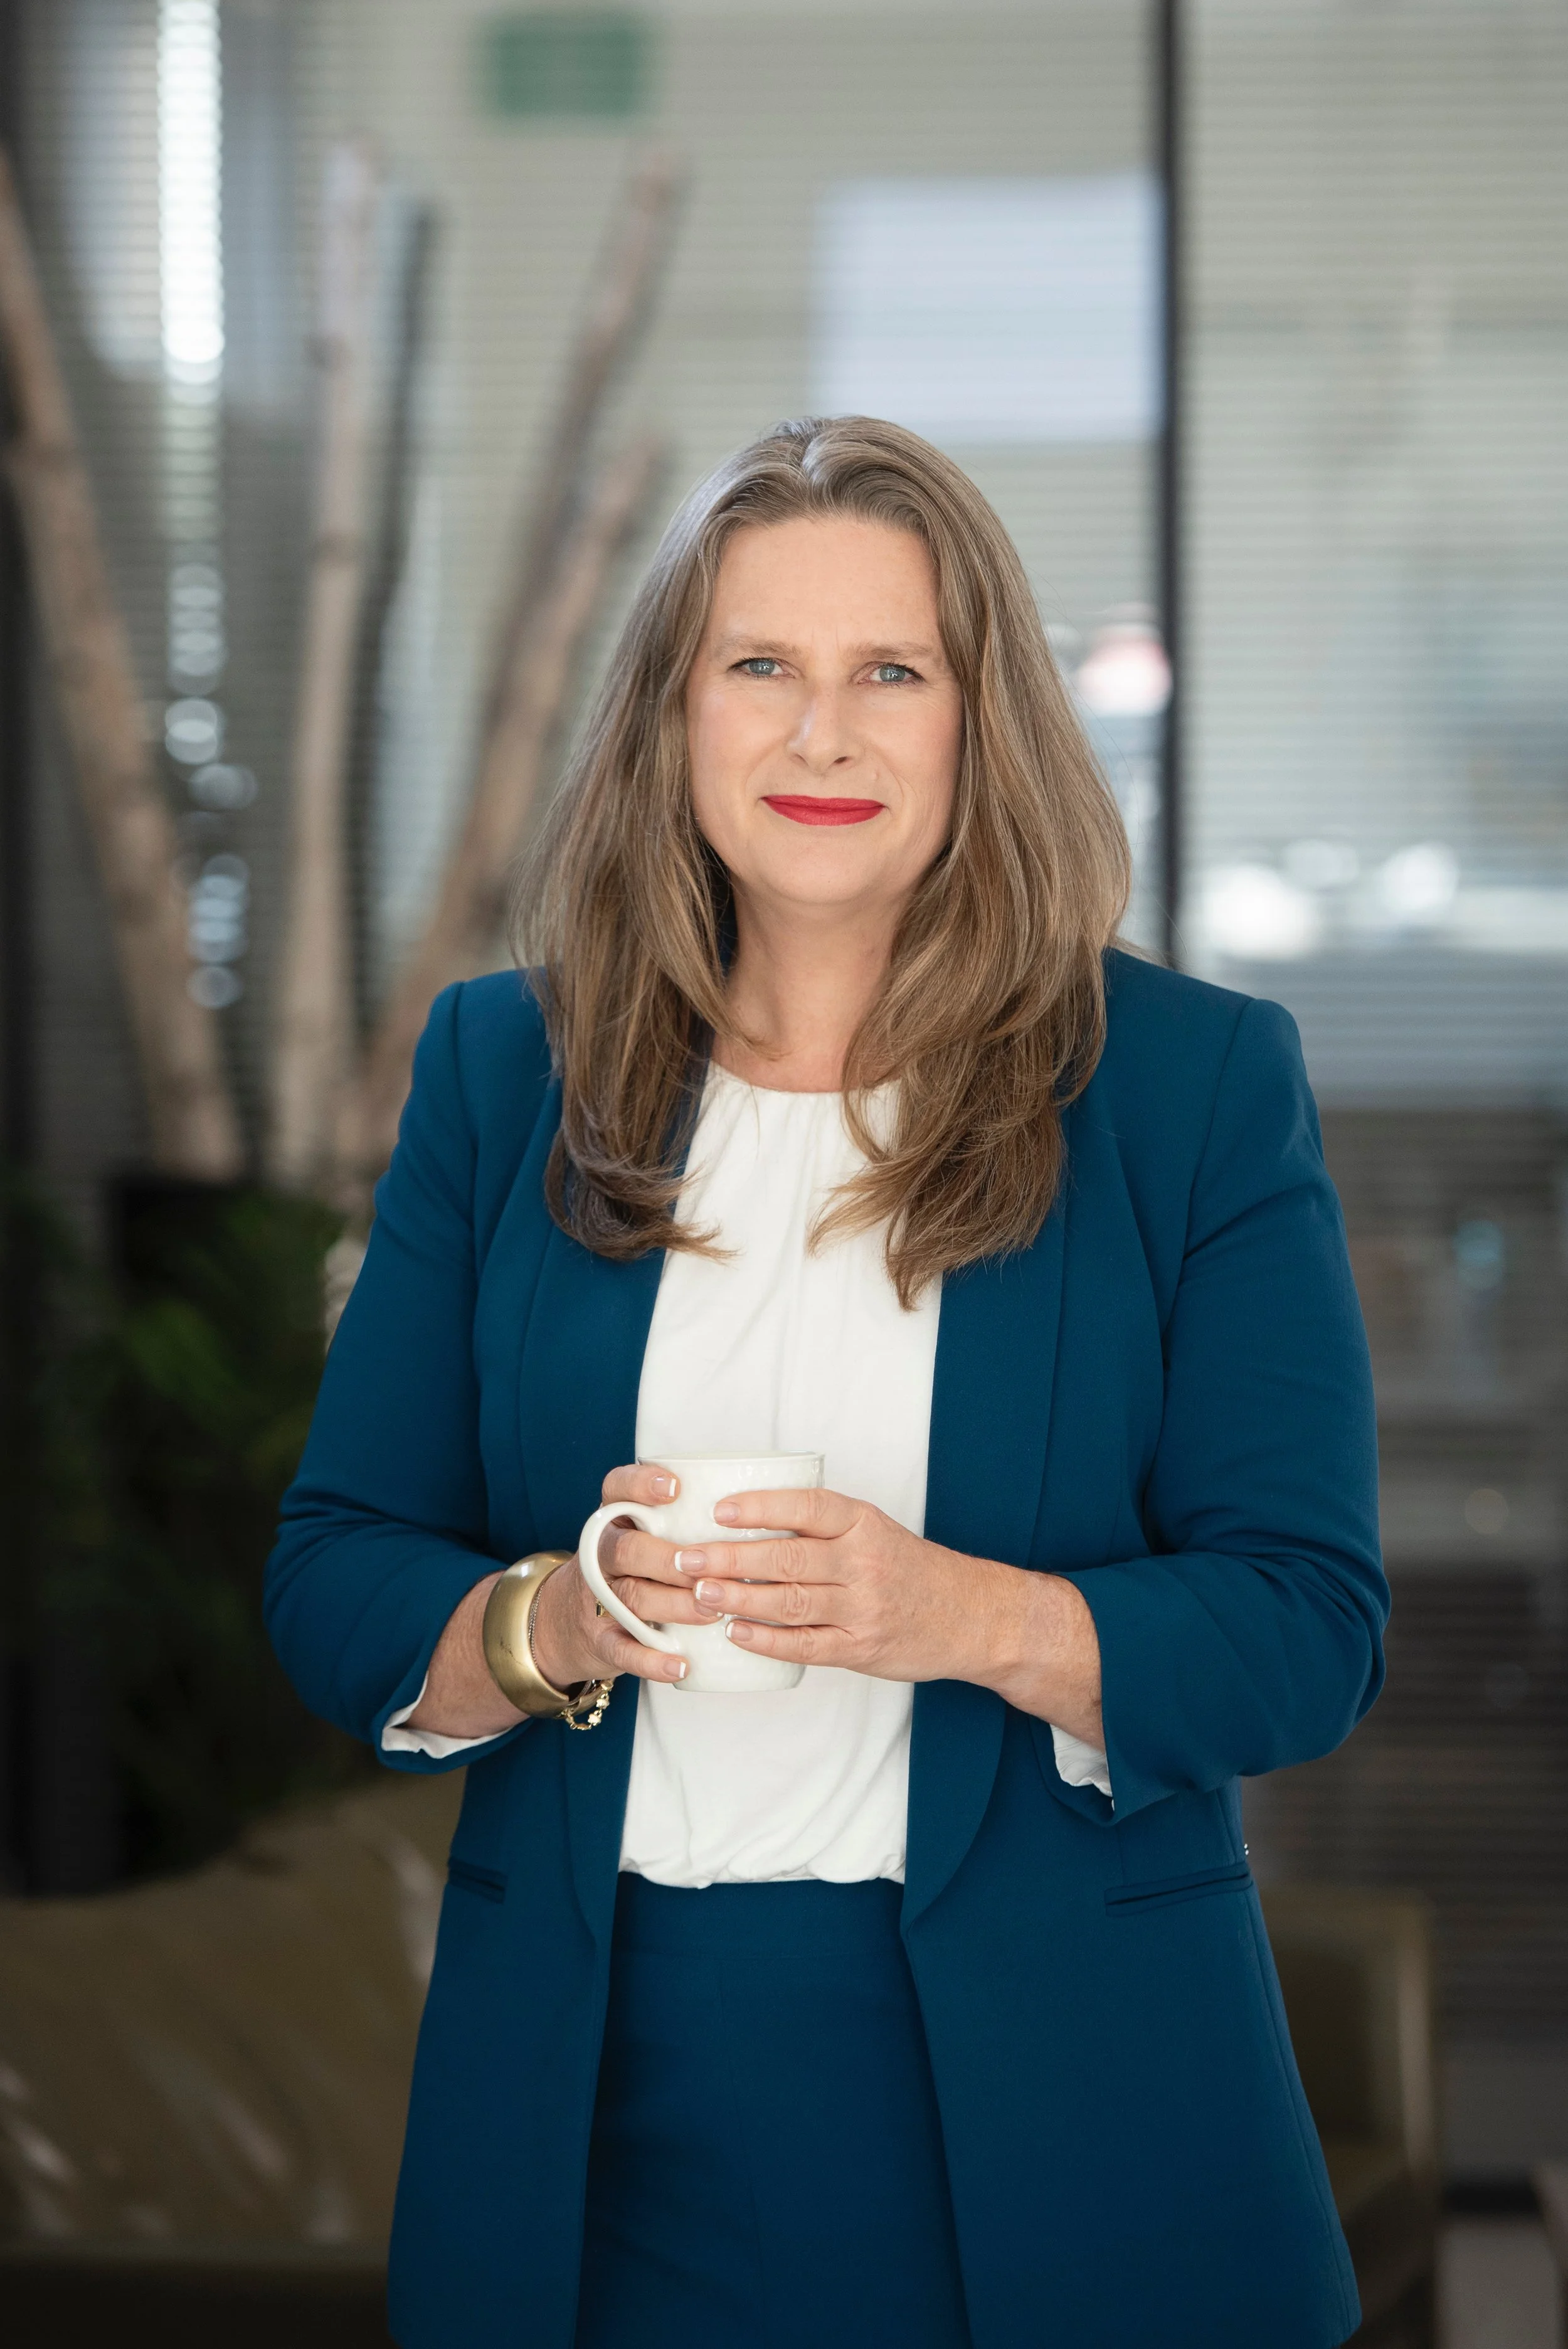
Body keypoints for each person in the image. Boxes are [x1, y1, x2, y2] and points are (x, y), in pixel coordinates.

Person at [266, 416, 1386, 2349]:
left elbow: (1303, 1626)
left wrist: (948, 1614)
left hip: (1075, 2097)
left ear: (980, 719)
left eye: (892, 671)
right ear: (671, 713)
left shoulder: (1187, 1091)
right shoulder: (497, 1075)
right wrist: (553, 1624)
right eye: (758, 667)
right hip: (595, 2102)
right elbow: (335, 1566)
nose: (822, 736)